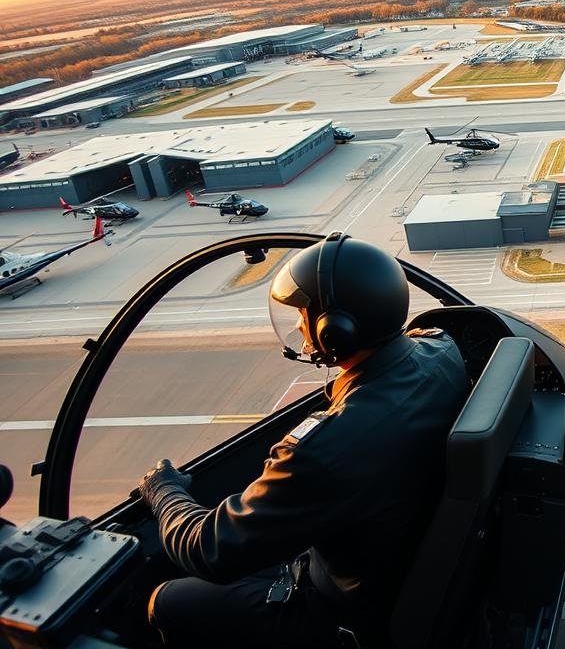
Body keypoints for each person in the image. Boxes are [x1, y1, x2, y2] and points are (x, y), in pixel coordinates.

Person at [140, 232, 470, 648]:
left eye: (305, 314)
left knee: (167, 600)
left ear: (337, 330)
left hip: (342, 613)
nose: (299, 324)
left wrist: (162, 492)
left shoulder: (326, 450)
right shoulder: (440, 349)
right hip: (395, 560)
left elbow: (210, 550)